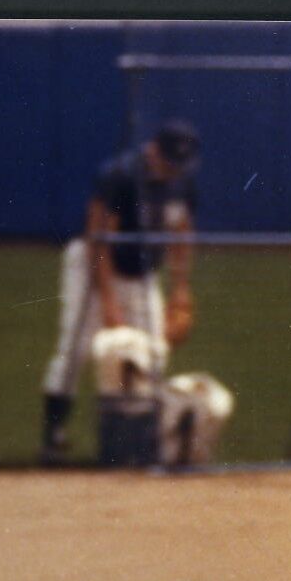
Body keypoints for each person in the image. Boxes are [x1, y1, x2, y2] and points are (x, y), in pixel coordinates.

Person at [39, 119, 201, 465]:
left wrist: (181, 291)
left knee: (154, 349)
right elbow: (99, 240)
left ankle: (141, 439)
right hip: (93, 268)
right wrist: (109, 304)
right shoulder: (121, 175)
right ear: (153, 150)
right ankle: (53, 436)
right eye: (169, 161)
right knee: (77, 347)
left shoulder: (180, 182)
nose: (174, 170)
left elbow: (182, 234)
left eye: (179, 164)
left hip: (142, 273)